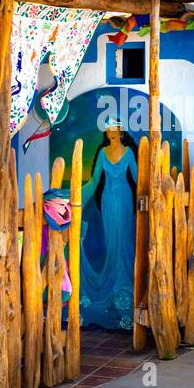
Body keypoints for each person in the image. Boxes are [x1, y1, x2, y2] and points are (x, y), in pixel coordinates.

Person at [78, 122, 139, 329]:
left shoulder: (129, 152)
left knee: (125, 240)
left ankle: (126, 284)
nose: (111, 132)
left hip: (124, 197)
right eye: (109, 129)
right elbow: (94, 181)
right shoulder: (103, 153)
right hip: (108, 200)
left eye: (115, 128)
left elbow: (139, 180)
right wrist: (76, 197)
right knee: (112, 241)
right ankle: (113, 283)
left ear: (120, 131)